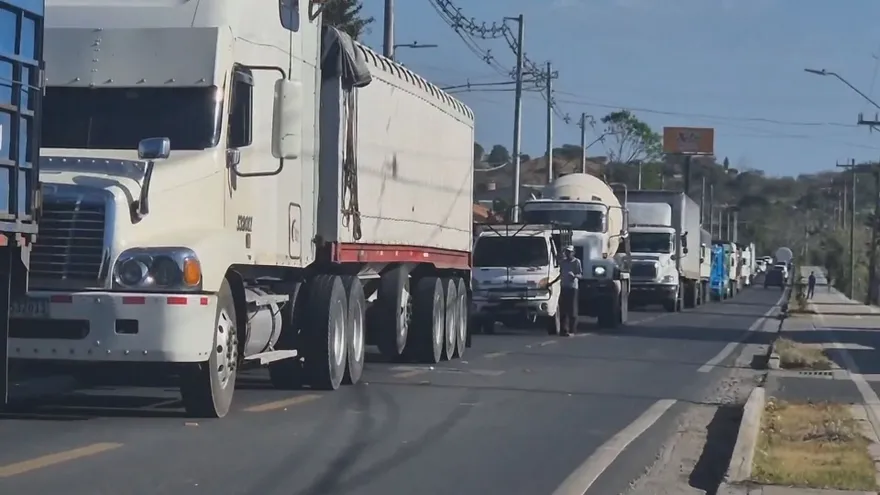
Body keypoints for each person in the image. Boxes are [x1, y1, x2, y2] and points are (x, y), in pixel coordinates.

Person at [544, 245, 583, 336]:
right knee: (563, 309)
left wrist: (574, 276)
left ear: (573, 252)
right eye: (567, 252)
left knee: (572, 310)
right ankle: (564, 330)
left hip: (573, 287)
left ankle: (572, 330)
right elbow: (560, 275)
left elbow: (580, 275)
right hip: (563, 287)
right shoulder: (563, 263)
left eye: (570, 252)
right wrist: (551, 283)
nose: (568, 253)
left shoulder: (577, 262)